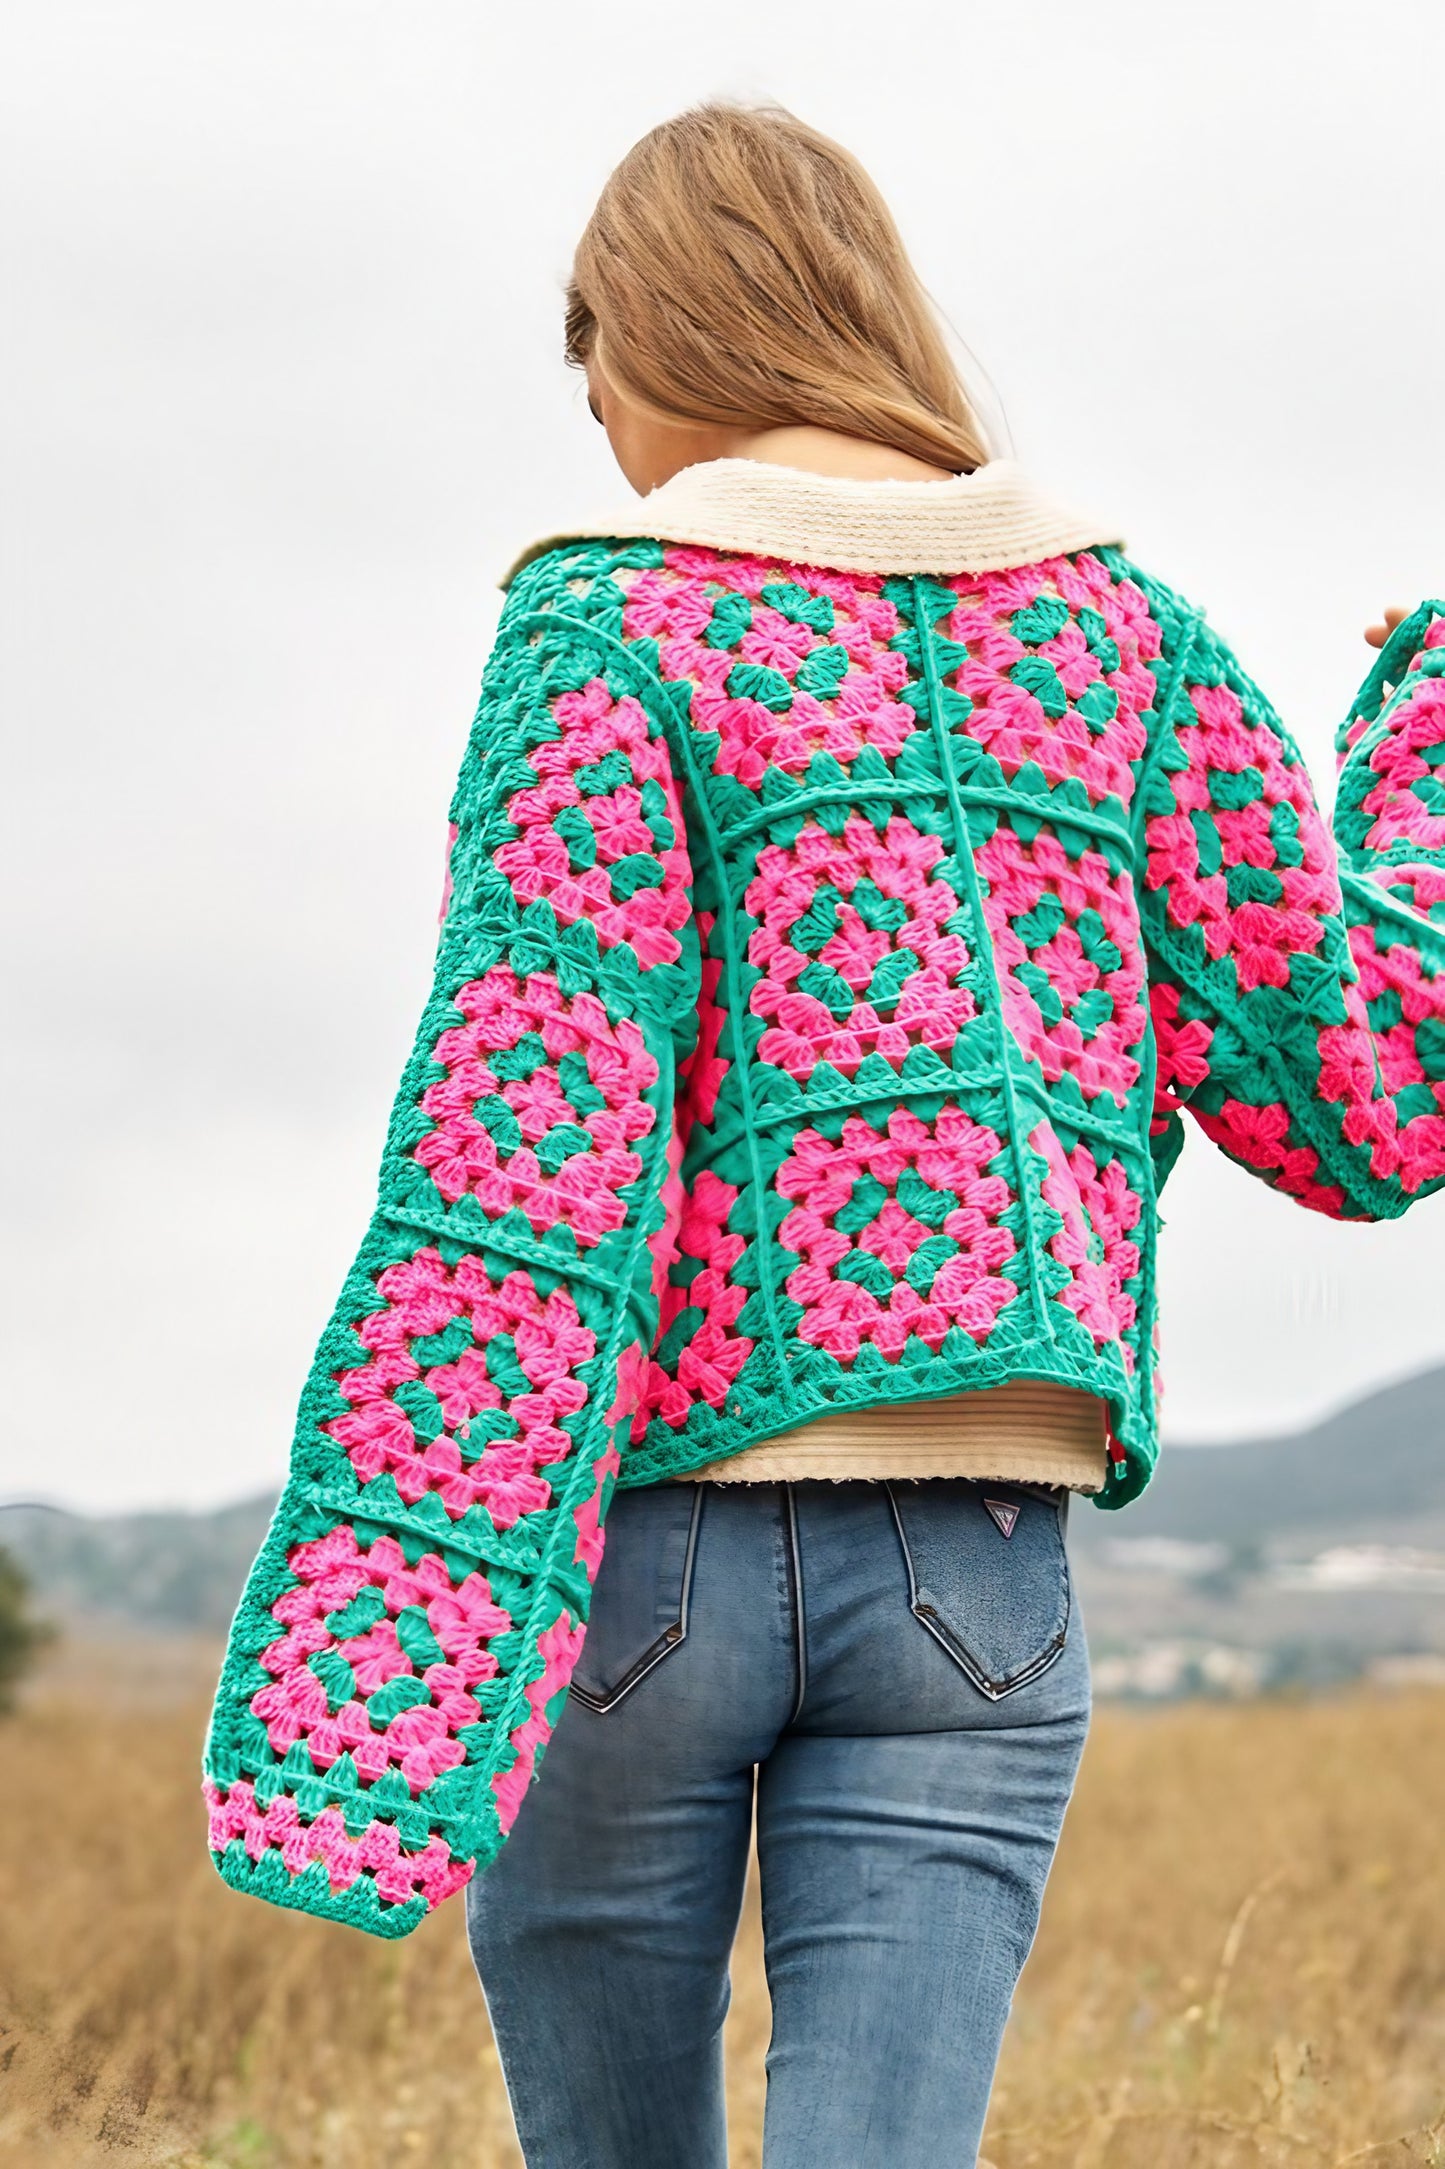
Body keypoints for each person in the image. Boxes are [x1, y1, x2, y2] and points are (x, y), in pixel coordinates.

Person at [203, 102, 1445, 2169]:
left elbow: (525, 1147)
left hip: (640, 1564)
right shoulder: (1117, 637)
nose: (593, 411)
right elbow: (1376, 1087)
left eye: (589, 357)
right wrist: (1423, 753)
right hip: (979, 1560)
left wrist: (402, 1612)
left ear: (662, 335)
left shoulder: (610, 634)